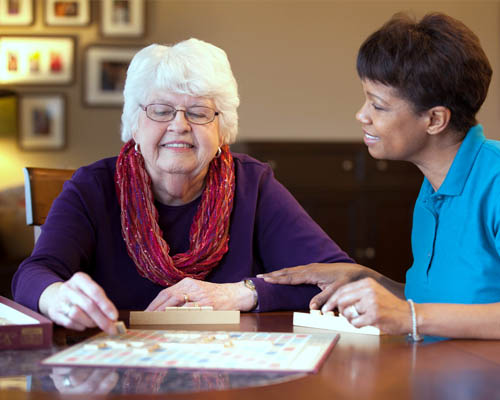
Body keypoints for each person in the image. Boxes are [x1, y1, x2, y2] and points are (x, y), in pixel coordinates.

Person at [12, 38, 352, 335]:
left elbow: (338, 277)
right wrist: (56, 296)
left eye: (199, 112)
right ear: (135, 122)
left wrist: (241, 293)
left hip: (229, 375)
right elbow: (34, 273)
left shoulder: (253, 184)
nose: (179, 125)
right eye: (161, 110)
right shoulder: (92, 187)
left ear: (223, 128)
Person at [260, 12, 500, 340]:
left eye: (378, 106)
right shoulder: (433, 184)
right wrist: (367, 279)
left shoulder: (495, 179)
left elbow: (420, 316)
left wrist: (410, 316)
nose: (361, 115)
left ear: (434, 120)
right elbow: (448, 306)